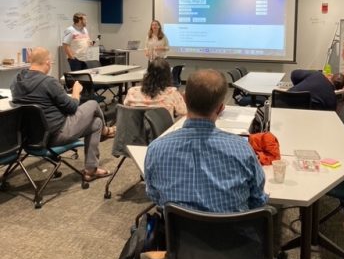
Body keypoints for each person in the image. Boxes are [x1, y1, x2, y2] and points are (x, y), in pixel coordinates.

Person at [144, 69, 267, 212]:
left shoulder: (156, 149)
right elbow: (258, 200)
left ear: (184, 99)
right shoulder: (242, 149)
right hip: (233, 232)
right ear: (221, 108)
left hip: (178, 233)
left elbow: (154, 196)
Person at [11, 47, 114, 182]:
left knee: (96, 124)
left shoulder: (16, 80)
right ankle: (106, 132)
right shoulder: (49, 82)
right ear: (47, 62)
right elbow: (71, 108)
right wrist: (76, 91)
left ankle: (91, 170)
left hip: (29, 137)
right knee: (93, 104)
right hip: (55, 134)